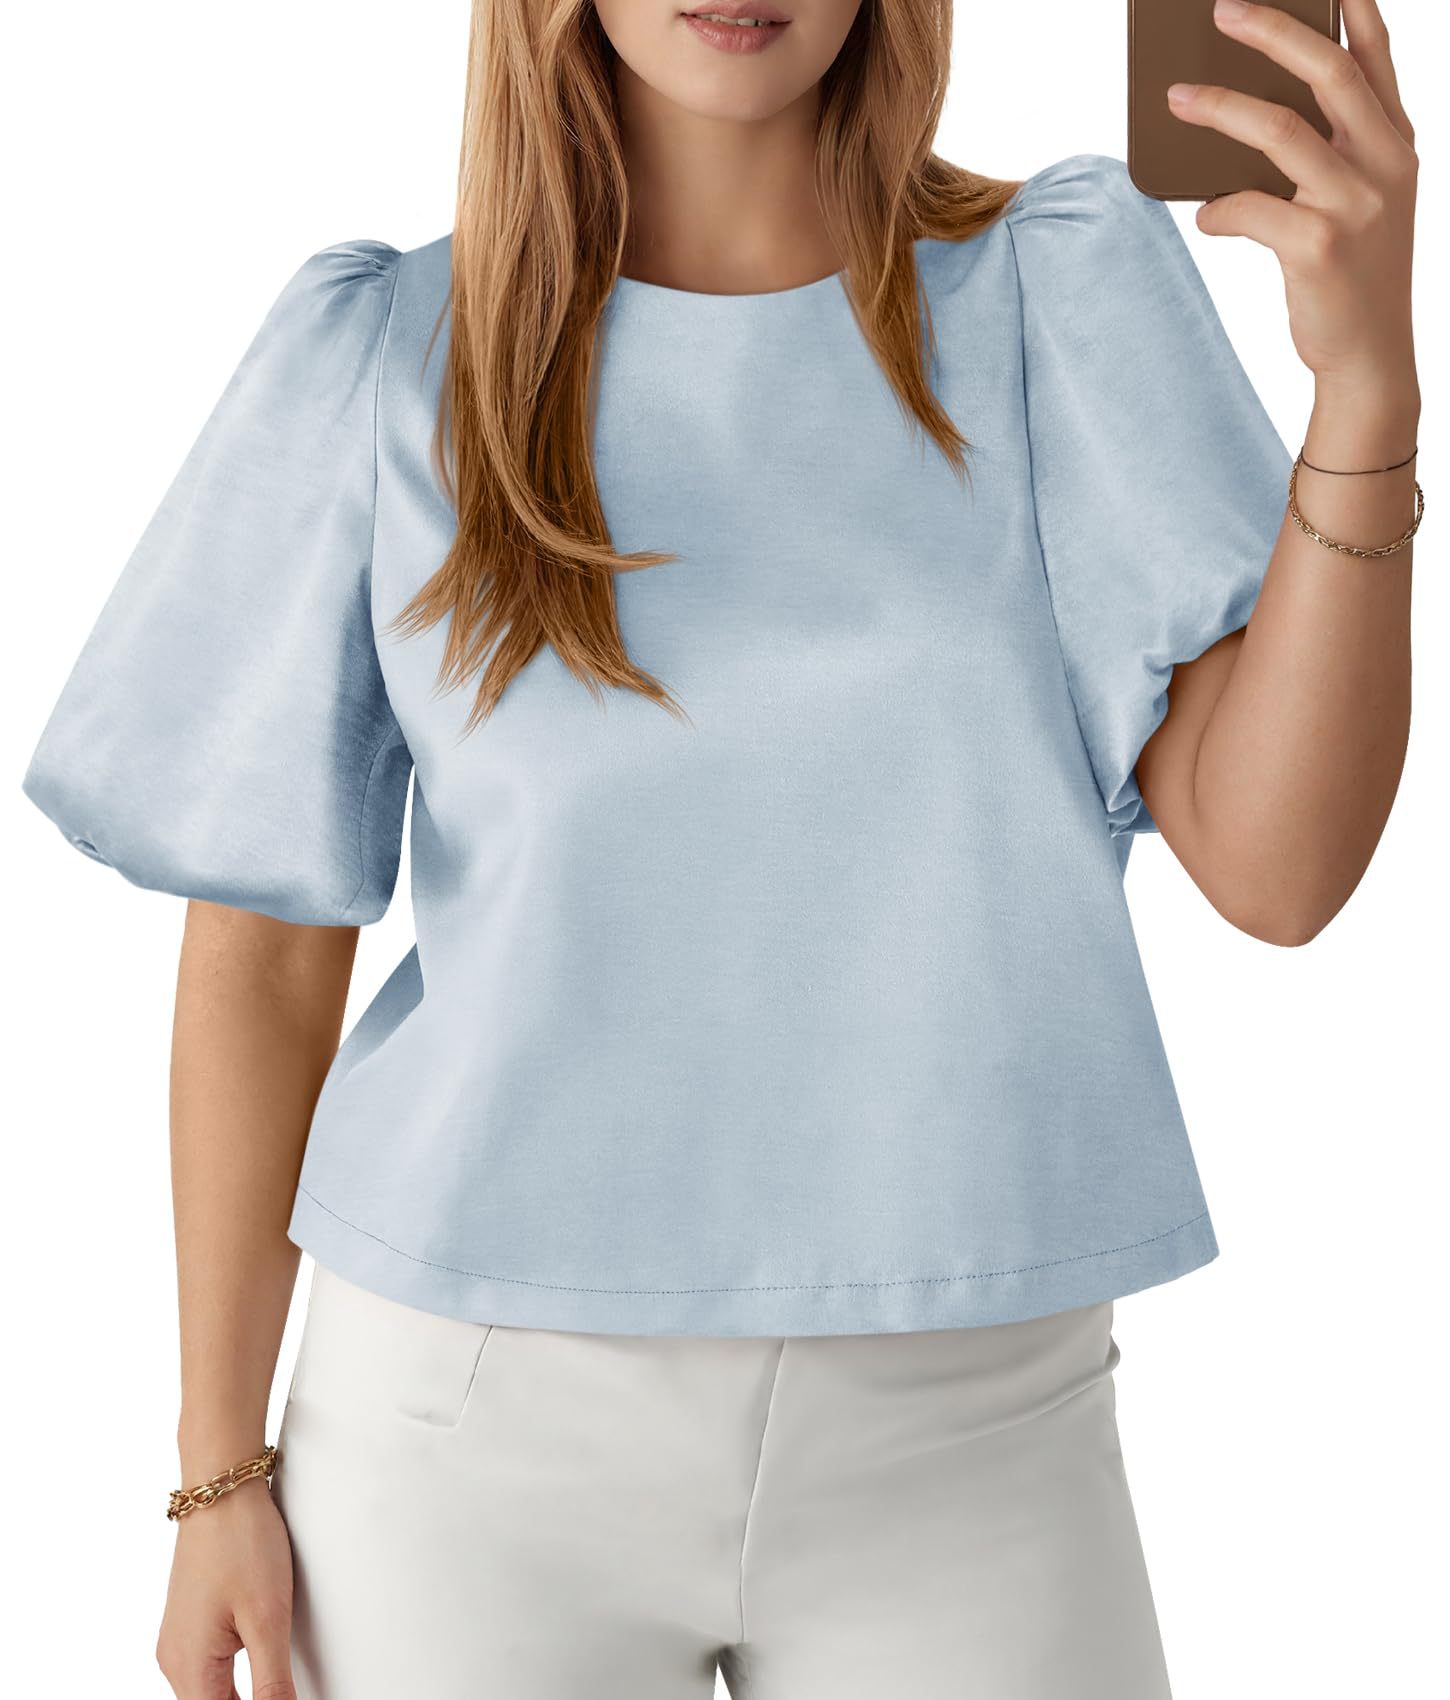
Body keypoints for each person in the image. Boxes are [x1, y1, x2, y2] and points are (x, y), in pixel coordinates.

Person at [20, 0, 1421, 1696]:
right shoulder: (389, 352)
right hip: (463, 1431)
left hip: (973, 1422)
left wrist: (1365, 385)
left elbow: (1279, 874)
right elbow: (261, 955)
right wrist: (216, 1470)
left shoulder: (1056, 290)